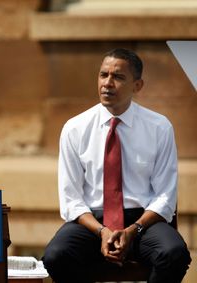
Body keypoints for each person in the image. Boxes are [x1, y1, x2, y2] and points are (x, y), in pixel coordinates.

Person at [42, 48, 191, 283]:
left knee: (174, 254)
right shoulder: (75, 128)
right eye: (103, 75)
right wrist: (103, 232)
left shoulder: (159, 128)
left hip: (143, 223)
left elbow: (165, 197)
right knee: (56, 256)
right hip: (92, 223)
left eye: (118, 77)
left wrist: (132, 230)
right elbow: (71, 199)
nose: (107, 83)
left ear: (137, 85)